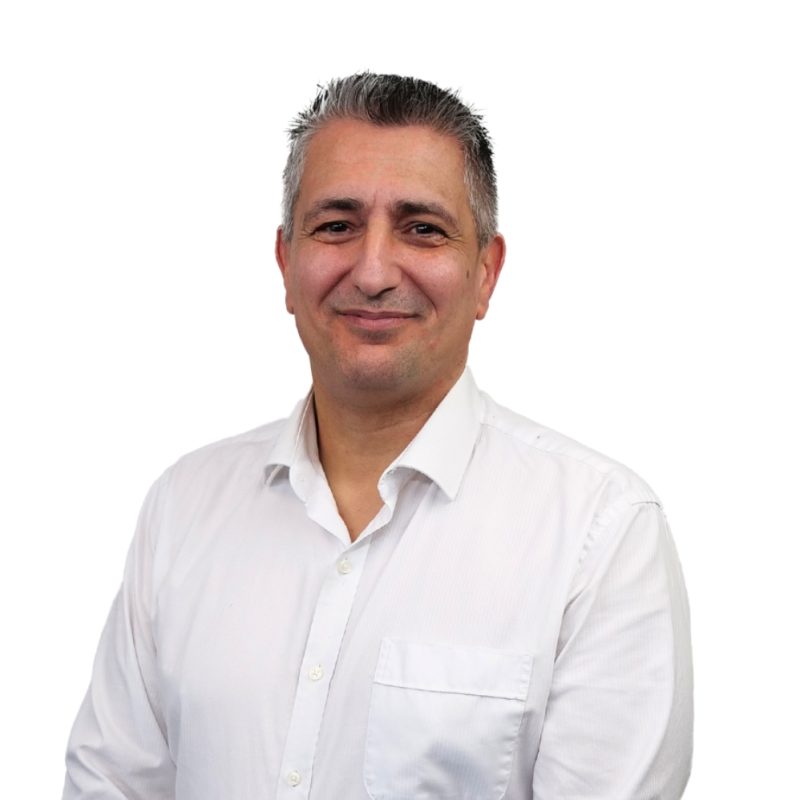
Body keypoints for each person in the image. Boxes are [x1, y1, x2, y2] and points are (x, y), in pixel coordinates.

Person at [63, 73, 693, 799]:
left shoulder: (600, 534)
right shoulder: (183, 508)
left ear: (485, 273)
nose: (371, 272)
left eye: (422, 228)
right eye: (337, 225)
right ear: (286, 264)